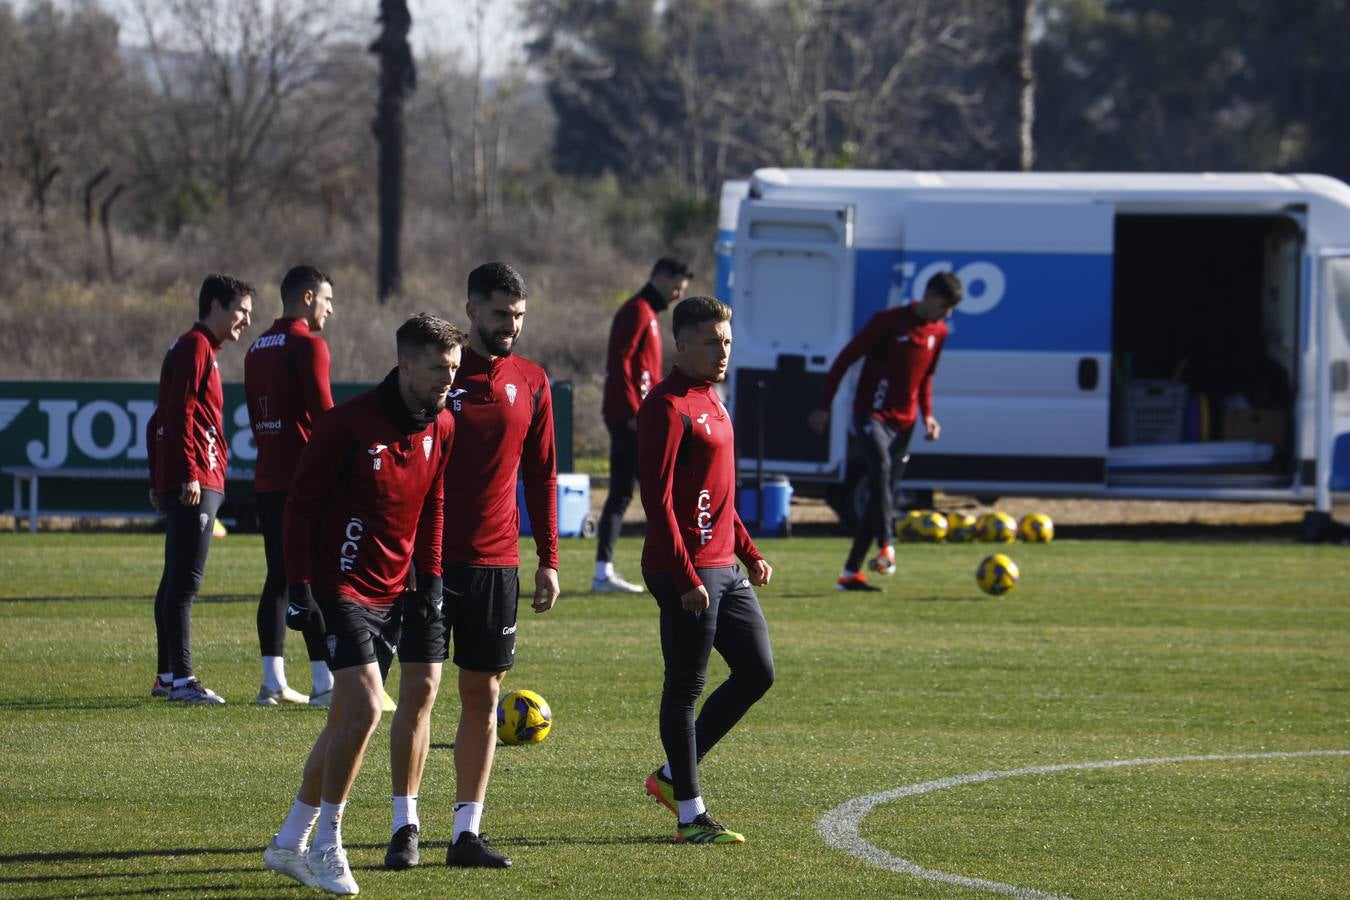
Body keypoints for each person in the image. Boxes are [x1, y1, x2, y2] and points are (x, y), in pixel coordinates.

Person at [262, 314, 463, 895]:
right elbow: (299, 507)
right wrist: (299, 589)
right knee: (369, 709)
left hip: (394, 590)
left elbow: (433, 504)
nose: (447, 380)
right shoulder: (346, 425)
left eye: (453, 369)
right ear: (404, 364)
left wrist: (429, 582)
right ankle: (329, 842)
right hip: (338, 585)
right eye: (436, 369)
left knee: (345, 719)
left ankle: (288, 842)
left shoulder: (443, 426)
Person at [413, 261, 559, 871]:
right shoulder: (436, 374)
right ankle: (405, 825)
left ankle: (465, 833)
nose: (511, 327)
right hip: (429, 562)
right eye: (501, 314)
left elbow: (542, 474)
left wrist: (549, 558)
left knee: (485, 691)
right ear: (471, 310)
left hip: (498, 564)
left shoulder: (532, 380)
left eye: (519, 316)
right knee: (418, 692)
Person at [638, 296, 775, 845]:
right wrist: (685, 575)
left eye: (728, 341)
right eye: (713, 342)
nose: (723, 351)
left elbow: (717, 497)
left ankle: (672, 776)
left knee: (757, 672)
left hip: (724, 565)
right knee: (685, 688)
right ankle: (690, 814)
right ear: (683, 345)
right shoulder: (666, 407)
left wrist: (749, 550)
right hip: (686, 570)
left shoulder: (713, 401)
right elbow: (660, 500)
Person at [807, 272, 964, 591]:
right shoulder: (889, 322)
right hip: (872, 414)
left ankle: (851, 573)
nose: (948, 314)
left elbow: (926, 378)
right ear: (930, 295)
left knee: (882, 494)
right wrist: (824, 406)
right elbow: (844, 360)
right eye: (945, 305)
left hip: (904, 425)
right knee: (880, 469)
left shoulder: (940, 330)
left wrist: (928, 416)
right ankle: (887, 545)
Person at [147, 274, 254, 704]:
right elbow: (177, 414)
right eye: (240, 310)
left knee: (173, 581)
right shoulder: (195, 347)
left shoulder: (197, 348)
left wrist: (161, 477)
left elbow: (160, 419)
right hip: (197, 477)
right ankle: (183, 681)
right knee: (185, 584)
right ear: (214, 305)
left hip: (190, 475)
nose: (246, 319)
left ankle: (166, 675)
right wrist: (188, 472)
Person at [244, 265, 336, 707]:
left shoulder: (256, 347)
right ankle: (324, 683)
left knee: (278, 576)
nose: (330, 310)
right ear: (306, 298)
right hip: (303, 480)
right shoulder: (308, 346)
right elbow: (326, 417)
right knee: (310, 575)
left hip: (267, 477)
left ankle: (273, 681)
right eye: (326, 301)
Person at [593, 257, 692, 593]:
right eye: (677, 286)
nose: (677, 295)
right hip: (630, 418)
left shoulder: (648, 315)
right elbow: (619, 362)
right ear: (661, 279)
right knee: (660, 489)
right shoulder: (636, 311)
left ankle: (602, 572)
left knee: (622, 492)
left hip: (633, 415)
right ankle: (675, 567)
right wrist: (635, 412)